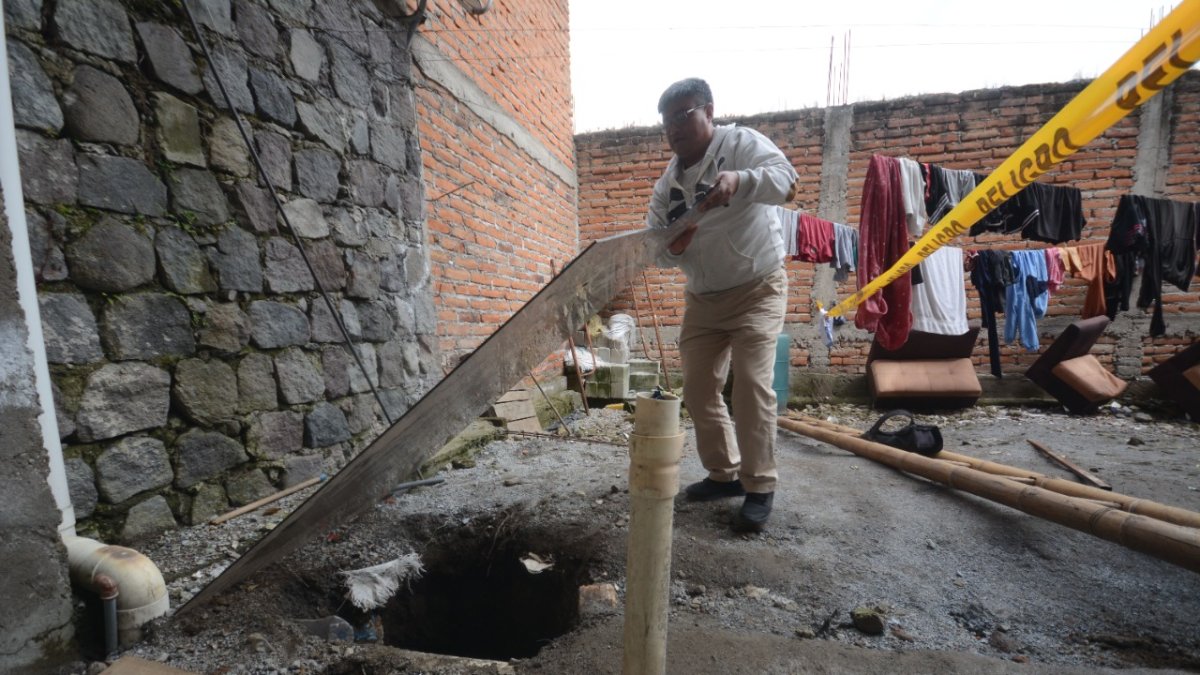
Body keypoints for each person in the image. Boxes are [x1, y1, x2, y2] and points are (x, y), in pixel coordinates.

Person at [645, 78, 798, 532]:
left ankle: (760, 485)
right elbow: (654, 247)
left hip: (758, 287)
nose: (674, 127)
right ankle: (724, 473)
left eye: (683, 114)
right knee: (696, 389)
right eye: (666, 120)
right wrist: (676, 246)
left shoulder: (740, 144)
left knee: (751, 385)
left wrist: (742, 180)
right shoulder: (668, 185)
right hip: (703, 299)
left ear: (709, 111)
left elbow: (787, 182)